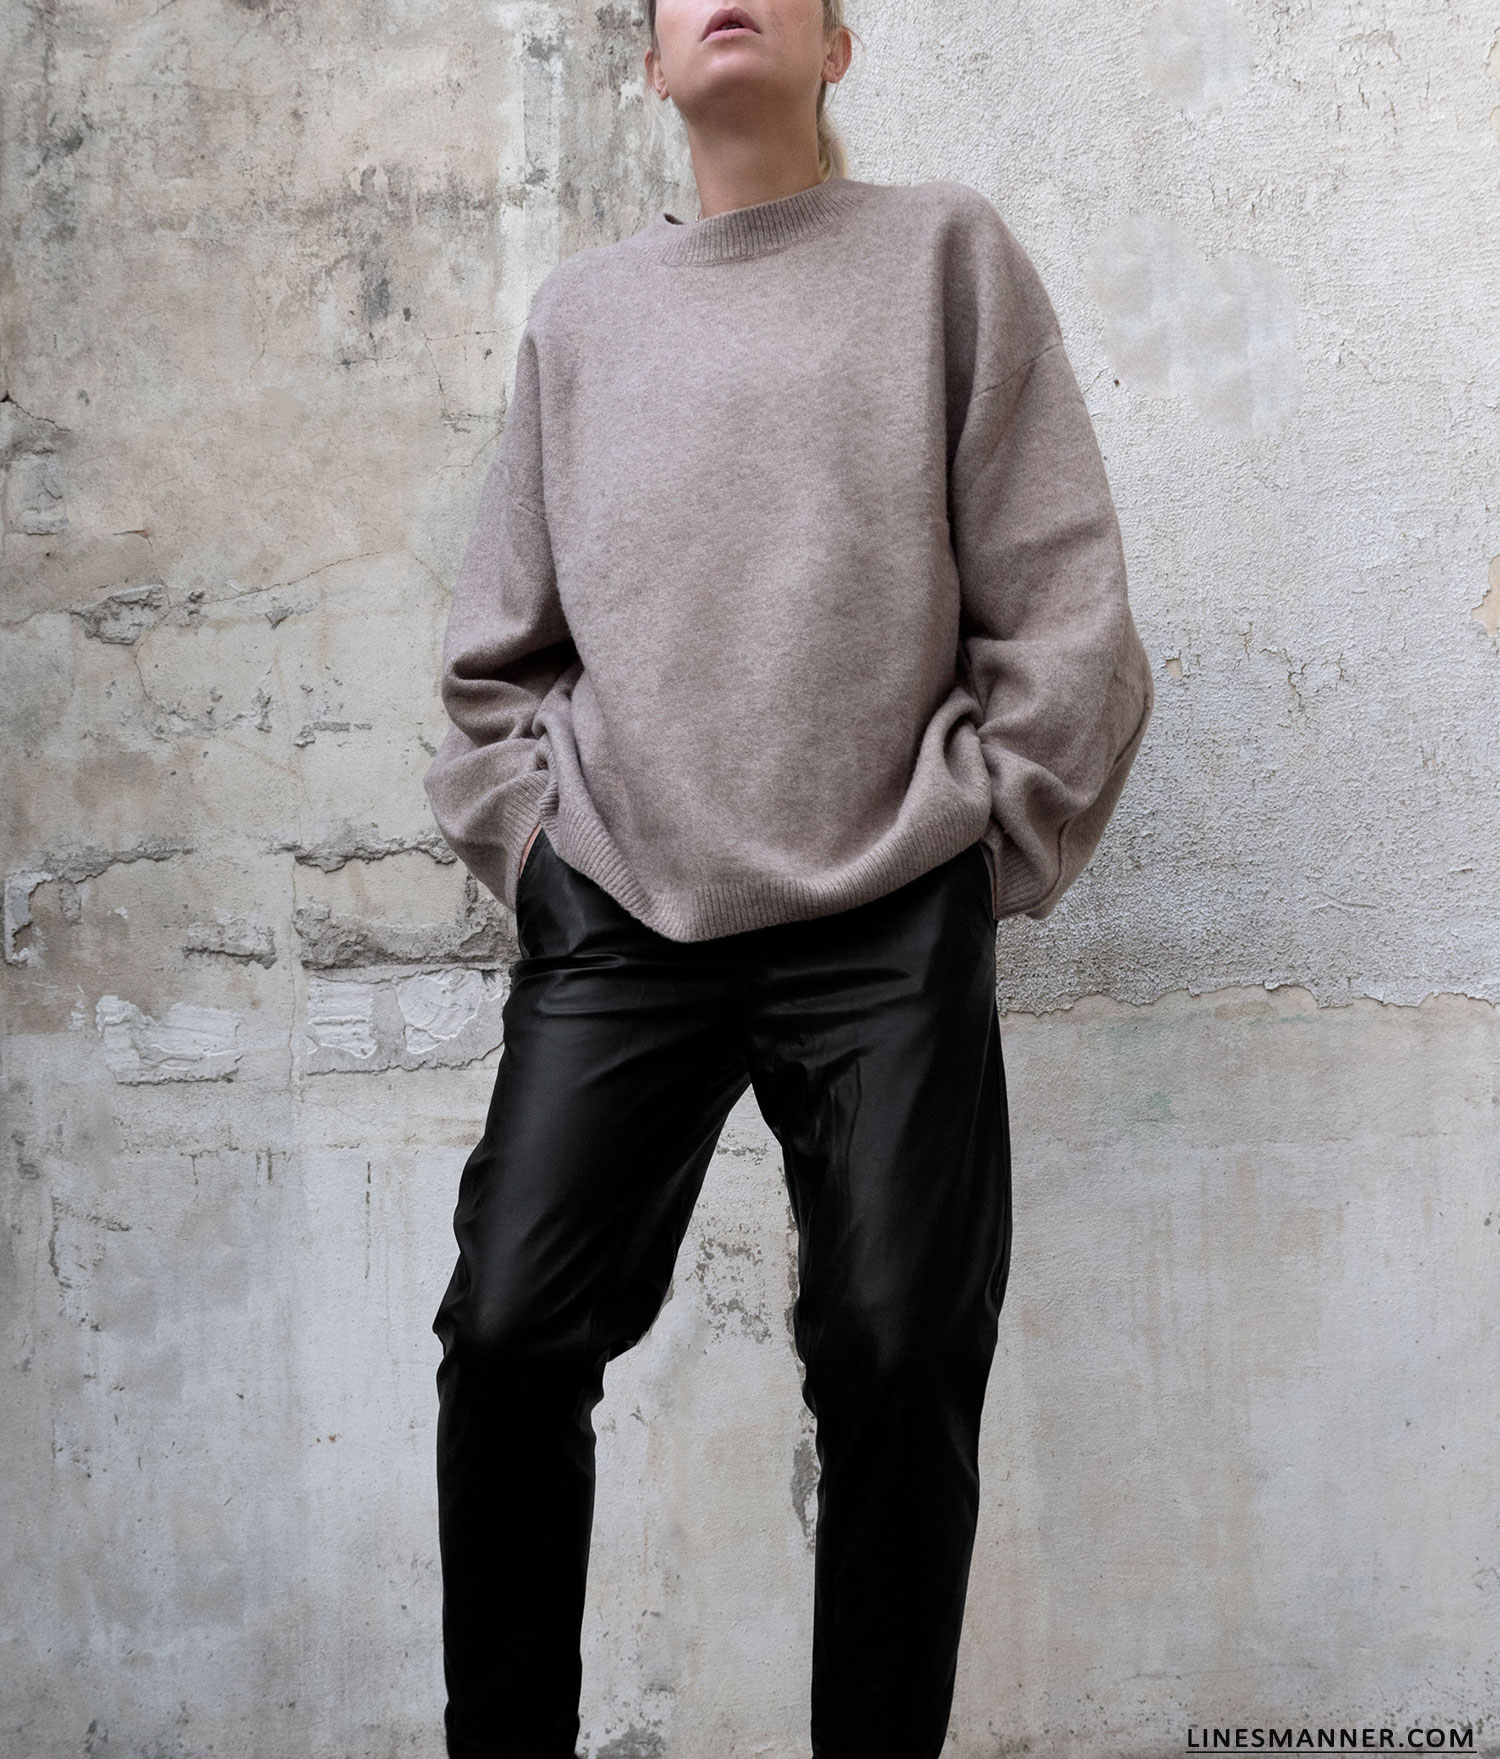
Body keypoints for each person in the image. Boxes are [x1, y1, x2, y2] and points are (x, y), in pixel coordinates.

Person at [420, 1, 1154, 1754]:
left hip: (886, 903)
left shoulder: (942, 255)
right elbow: (498, 651)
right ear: (649, 61)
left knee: (899, 1349)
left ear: (840, 46)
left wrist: (982, 839)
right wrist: (539, 850)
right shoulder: (583, 315)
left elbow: (1064, 602)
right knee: (510, 1332)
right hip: (623, 904)